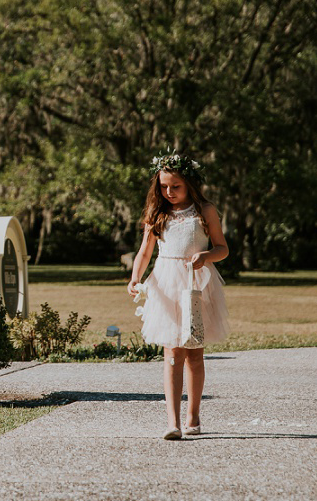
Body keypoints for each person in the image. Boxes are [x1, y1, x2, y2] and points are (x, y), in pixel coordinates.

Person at [127, 151, 230, 440]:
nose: (169, 192)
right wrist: (136, 278)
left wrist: (207, 255)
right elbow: (145, 252)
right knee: (172, 353)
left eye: (175, 186)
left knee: (194, 353)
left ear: (190, 184)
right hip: (165, 284)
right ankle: (172, 421)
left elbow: (223, 248)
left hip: (195, 284)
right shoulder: (156, 213)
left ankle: (193, 415)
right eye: (163, 187)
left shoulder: (204, 211)